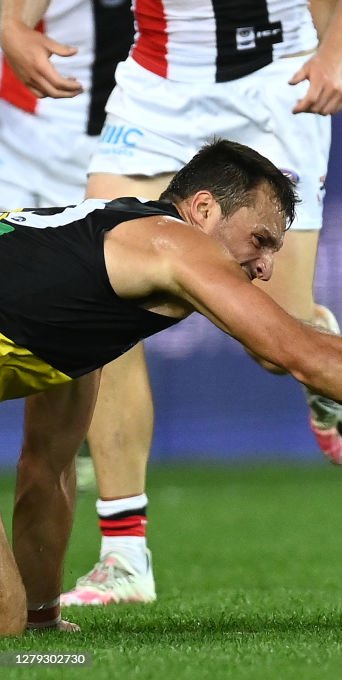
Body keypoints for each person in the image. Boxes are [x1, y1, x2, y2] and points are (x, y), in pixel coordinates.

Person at [0, 140, 342, 635]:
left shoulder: (78, 288)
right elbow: (301, 352)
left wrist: (39, 619)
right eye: (260, 240)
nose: (266, 268)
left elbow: (46, 469)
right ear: (202, 209)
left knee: (15, 621)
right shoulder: (170, 240)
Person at [1, 0, 342, 606]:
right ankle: (124, 553)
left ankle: (314, 334)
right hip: (156, 82)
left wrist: (339, 47)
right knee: (103, 302)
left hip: (277, 78)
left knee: (277, 345)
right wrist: (12, 26)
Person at [0, 0, 134, 492]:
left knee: (94, 302)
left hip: (113, 145)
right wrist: (9, 25)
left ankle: (65, 446)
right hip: (15, 134)